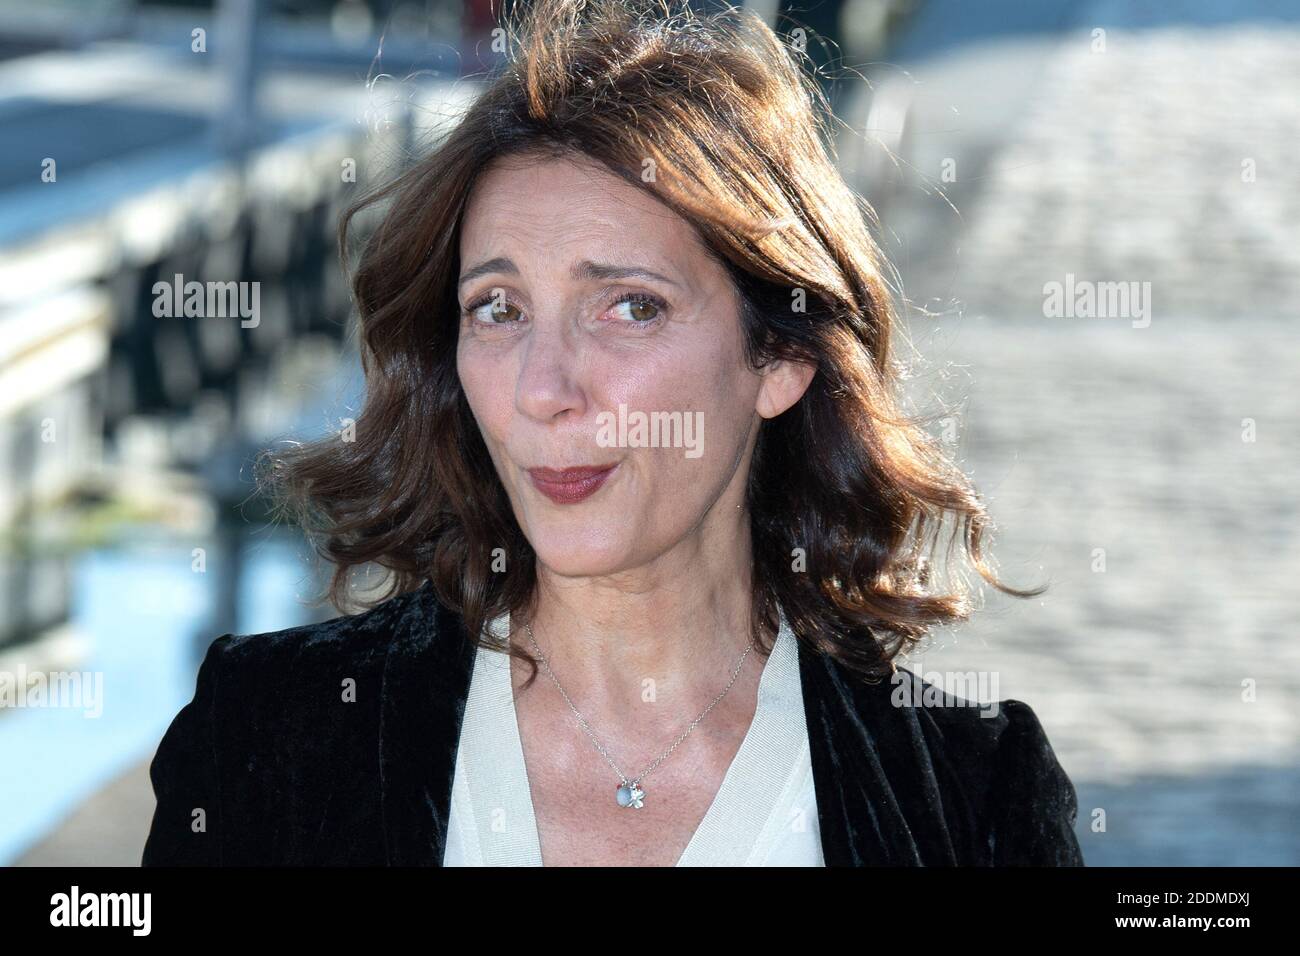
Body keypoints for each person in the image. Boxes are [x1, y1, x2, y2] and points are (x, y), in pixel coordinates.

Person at [142, 0, 1083, 867]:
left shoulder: (971, 803)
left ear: (781, 358)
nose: (545, 390)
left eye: (630, 306)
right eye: (498, 309)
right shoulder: (267, 740)